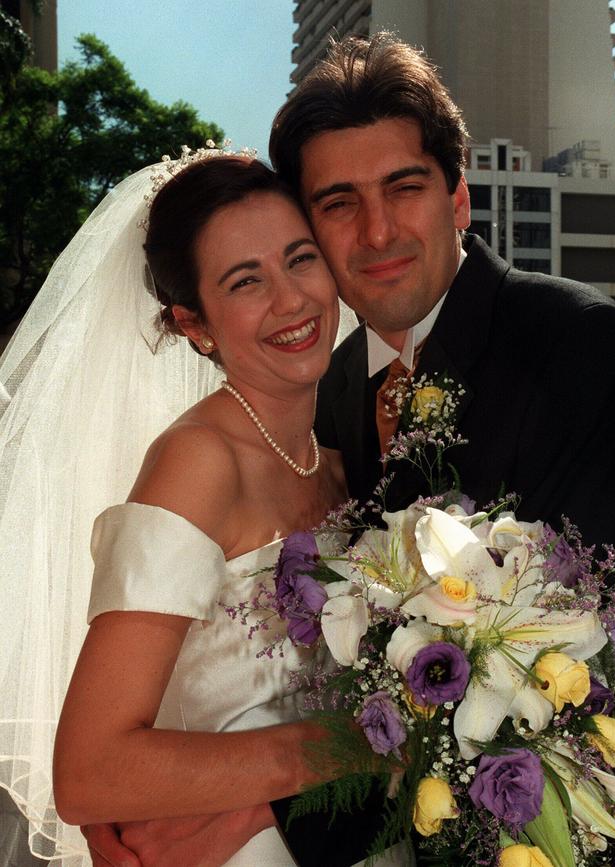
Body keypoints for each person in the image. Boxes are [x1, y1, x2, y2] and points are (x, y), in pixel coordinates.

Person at [82, 31, 615, 867]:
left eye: (405, 187)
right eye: (338, 202)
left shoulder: (578, 346)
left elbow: (607, 671)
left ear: (460, 198)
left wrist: (264, 814)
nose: (377, 229)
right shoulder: (338, 385)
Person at [0, 150, 407, 866]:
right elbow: (90, 771)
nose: (291, 300)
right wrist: (357, 741)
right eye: (246, 280)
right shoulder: (201, 461)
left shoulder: (340, 454)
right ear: (195, 324)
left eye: (300, 259)